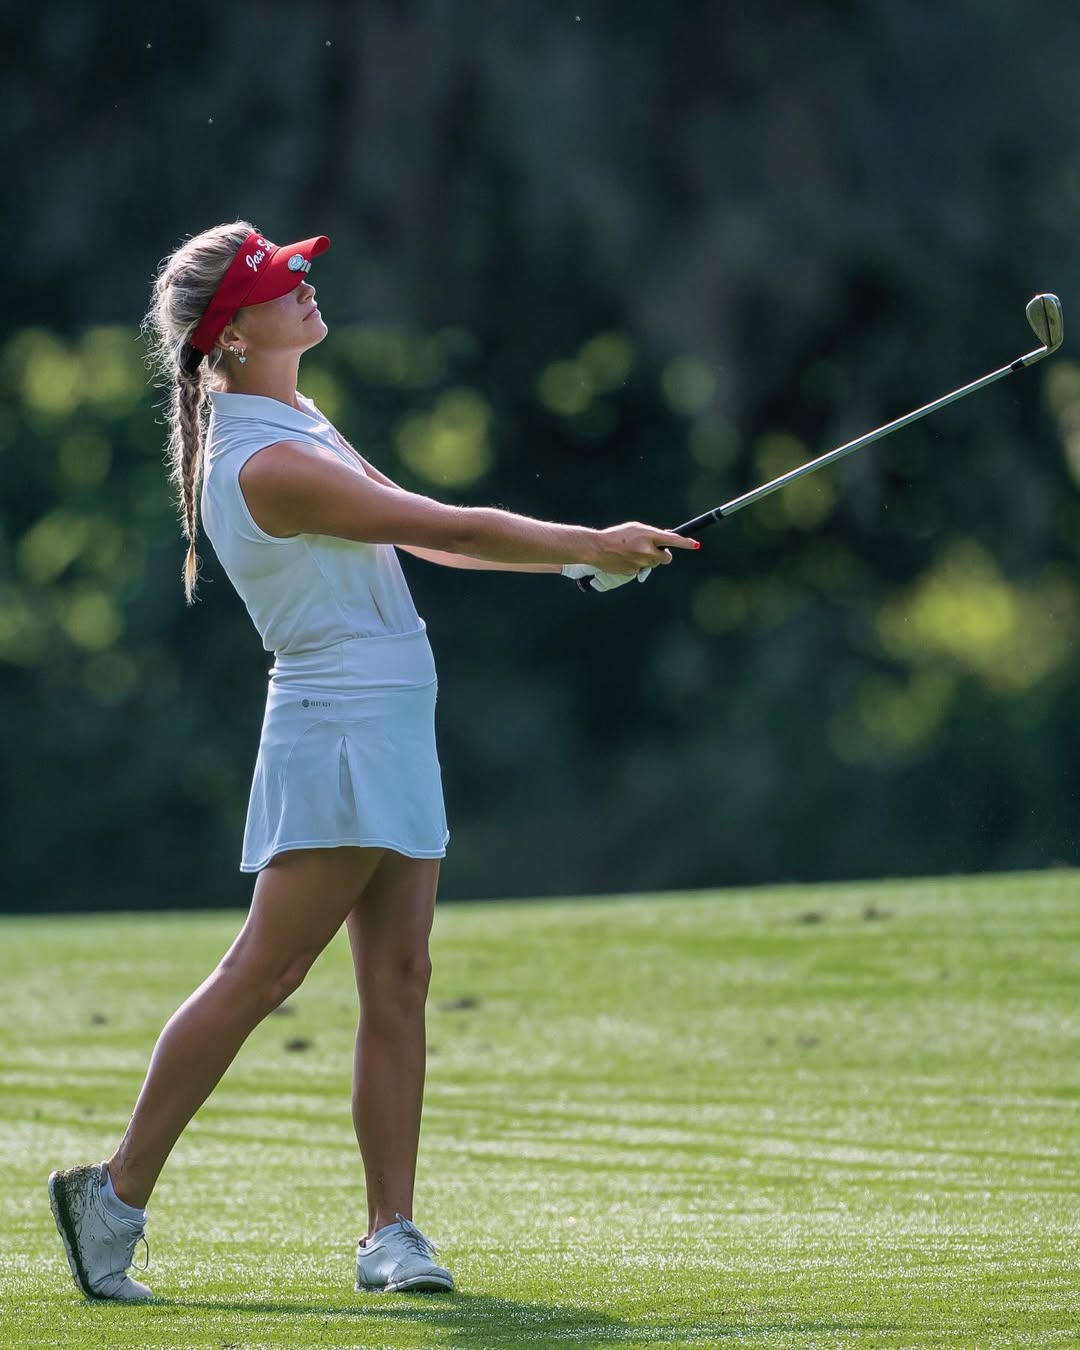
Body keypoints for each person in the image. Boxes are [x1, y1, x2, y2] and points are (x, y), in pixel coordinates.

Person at [47, 221, 699, 1302]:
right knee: (267, 971)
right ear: (231, 333)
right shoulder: (265, 463)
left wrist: (580, 566)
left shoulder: (297, 420)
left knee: (400, 975)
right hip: (339, 720)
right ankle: (112, 1197)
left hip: (387, 713)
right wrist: (588, 543)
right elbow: (452, 523)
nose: (305, 283)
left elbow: (424, 537)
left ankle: (391, 1234)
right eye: (279, 282)